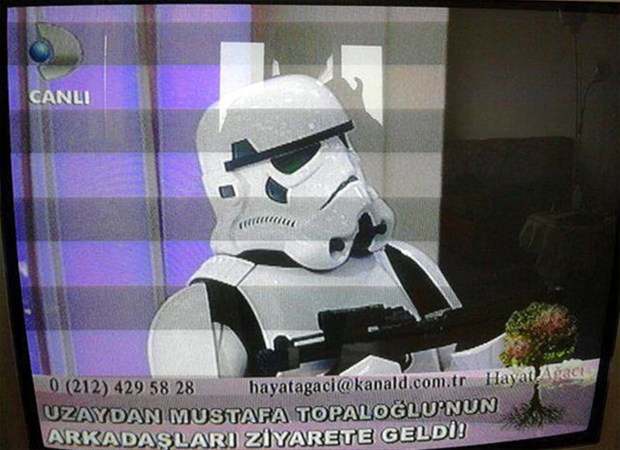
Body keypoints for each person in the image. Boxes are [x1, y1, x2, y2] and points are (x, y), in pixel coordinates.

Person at [148, 75, 504, 377]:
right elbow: (203, 427)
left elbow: (471, 383)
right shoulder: (205, 312)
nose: (341, 166)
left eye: (341, 142)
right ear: (229, 187)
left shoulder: (407, 265)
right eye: (297, 156)